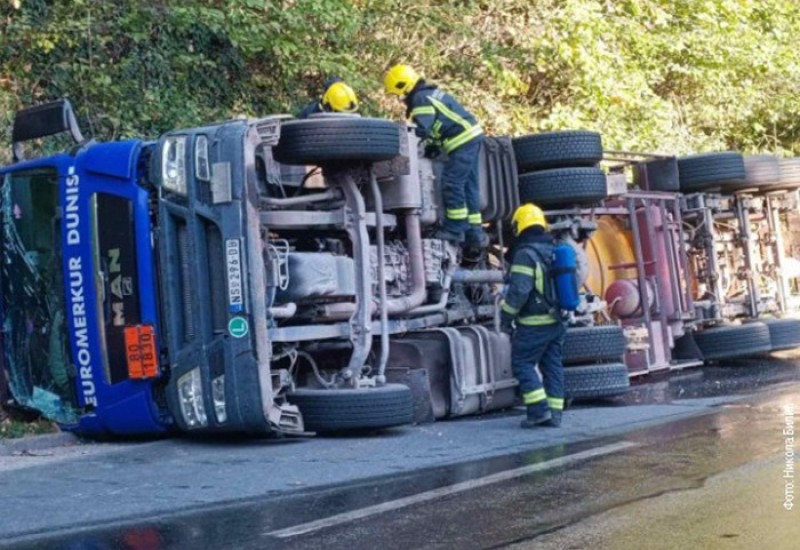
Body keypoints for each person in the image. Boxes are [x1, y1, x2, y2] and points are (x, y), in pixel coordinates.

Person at [383, 64, 486, 254]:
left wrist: (405, 139)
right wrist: (434, 146)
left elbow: (423, 128)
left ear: (403, 86)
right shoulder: (428, 94)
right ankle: (475, 232)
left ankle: (455, 228)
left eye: (397, 94)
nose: (399, 99)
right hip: (470, 137)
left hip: (461, 141)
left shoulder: (420, 99)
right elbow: (441, 123)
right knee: (469, 187)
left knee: (452, 184)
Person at [500, 203, 567, 428]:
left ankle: (539, 411)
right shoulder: (553, 249)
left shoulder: (525, 255)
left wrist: (505, 316)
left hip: (533, 322)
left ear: (519, 226)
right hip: (556, 321)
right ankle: (555, 413)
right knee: (552, 366)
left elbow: (519, 291)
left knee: (522, 363)